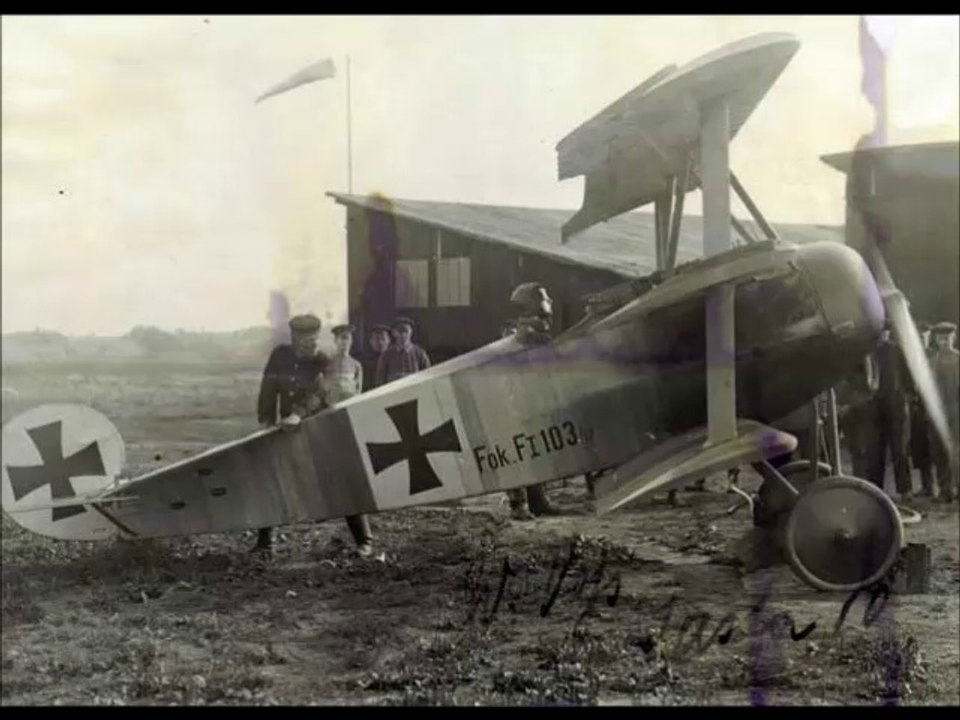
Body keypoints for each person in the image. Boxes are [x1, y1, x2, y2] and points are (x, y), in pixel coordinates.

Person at [254, 313, 329, 554]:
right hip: (286, 428)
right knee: (273, 480)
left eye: (315, 339)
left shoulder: (322, 360)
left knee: (336, 475)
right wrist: (267, 421)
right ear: (295, 338)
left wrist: (298, 413)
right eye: (307, 341)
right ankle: (265, 542)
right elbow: (268, 388)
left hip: (316, 427)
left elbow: (319, 394)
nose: (312, 345)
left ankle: (364, 541)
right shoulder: (280, 356)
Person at [323, 324, 376, 554]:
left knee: (351, 473)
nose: (345, 342)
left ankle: (363, 535)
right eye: (341, 338)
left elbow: (359, 394)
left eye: (348, 338)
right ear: (335, 341)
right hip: (330, 420)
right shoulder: (326, 365)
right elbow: (322, 392)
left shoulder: (356, 366)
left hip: (349, 422)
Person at [867, 324, 912, 497]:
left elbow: (907, 377)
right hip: (874, 407)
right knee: (876, 452)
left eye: (885, 331)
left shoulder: (897, 351)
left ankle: (905, 490)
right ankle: (876, 490)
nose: (882, 335)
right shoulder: (867, 351)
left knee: (899, 450)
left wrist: (908, 397)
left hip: (895, 405)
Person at [930, 321, 959, 503]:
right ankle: (945, 489)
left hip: (957, 410)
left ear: (953, 338)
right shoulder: (932, 362)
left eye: (947, 338)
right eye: (941, 338)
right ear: (935, 339)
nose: (944, 342)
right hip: (937, 411)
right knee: (939, 451)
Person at [909, 323, 934, 496]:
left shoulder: (934, 355)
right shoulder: (910, 356)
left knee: (938, 449)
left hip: (933, 406)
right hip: (917, 408)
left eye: (924, 336)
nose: (921, 339)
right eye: (918, 336)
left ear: (929, 337)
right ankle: (927, 486)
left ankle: (948, 487)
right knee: (921, 448)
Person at [376, 317, 431, 386]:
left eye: (406, 331)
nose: (403, 335)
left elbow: (428, 375)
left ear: (411, 332)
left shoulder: (420, 353)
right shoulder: (386, 355)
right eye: (399, 331)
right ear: (393, 333)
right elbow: (380, 380)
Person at [362, 324, 391, 392]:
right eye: (377, 339)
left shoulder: (394, 360)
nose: (380, 342)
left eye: (383, 339)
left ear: (389, 341)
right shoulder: (364, 362)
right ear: (371, 342)